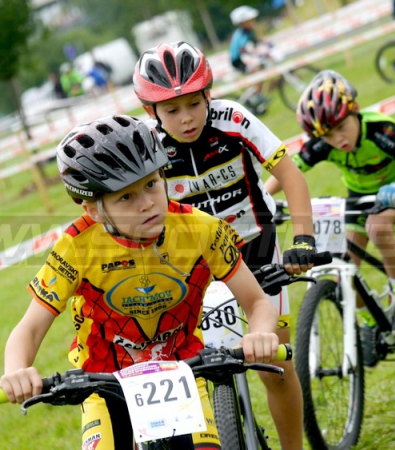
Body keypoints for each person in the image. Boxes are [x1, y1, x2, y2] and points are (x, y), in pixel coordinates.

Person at [0, 115, 280, 449]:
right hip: (104, 381)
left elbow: (257, 302)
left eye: (151, 184)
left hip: (184, 369)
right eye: (126, 197)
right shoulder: (76, 247)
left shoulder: (202, 229)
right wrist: (16, 370)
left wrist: (260, 333)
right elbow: (30, 328)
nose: (147, 204)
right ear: (94, 210)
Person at [133, 41, 315, 450]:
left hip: (256, 246)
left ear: (208, 95)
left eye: (194, 104)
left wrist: (303, 240)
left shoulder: (233, 118)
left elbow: (290, 175)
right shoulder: (145, 144)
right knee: (186, 367)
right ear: (150, 111)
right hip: (191, 261)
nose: (186, 118)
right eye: (171, 110)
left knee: (274, 364)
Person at [265, 70, 395, 367]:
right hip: (357, 197)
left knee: (377, 227)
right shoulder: (323, 142)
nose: (337, 139)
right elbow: (287, 170)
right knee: (343, 267)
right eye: (327, 135)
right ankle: (369, 321)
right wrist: (264, 199)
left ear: (355, 111)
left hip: (394, 190)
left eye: (341, 127)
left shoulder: (382, 130)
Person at [229, 5, 270, 113]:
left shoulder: (248, 32)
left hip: (244, 58)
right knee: (256, 71)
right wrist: (257, 52)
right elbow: (244, 49)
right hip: (238, 60)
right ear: (243, 23)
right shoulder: (241, 34)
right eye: (250, 20)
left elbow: (257, 43)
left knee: (260, 72)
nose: (253, 22)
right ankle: (257, 97)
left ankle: (258, 96)